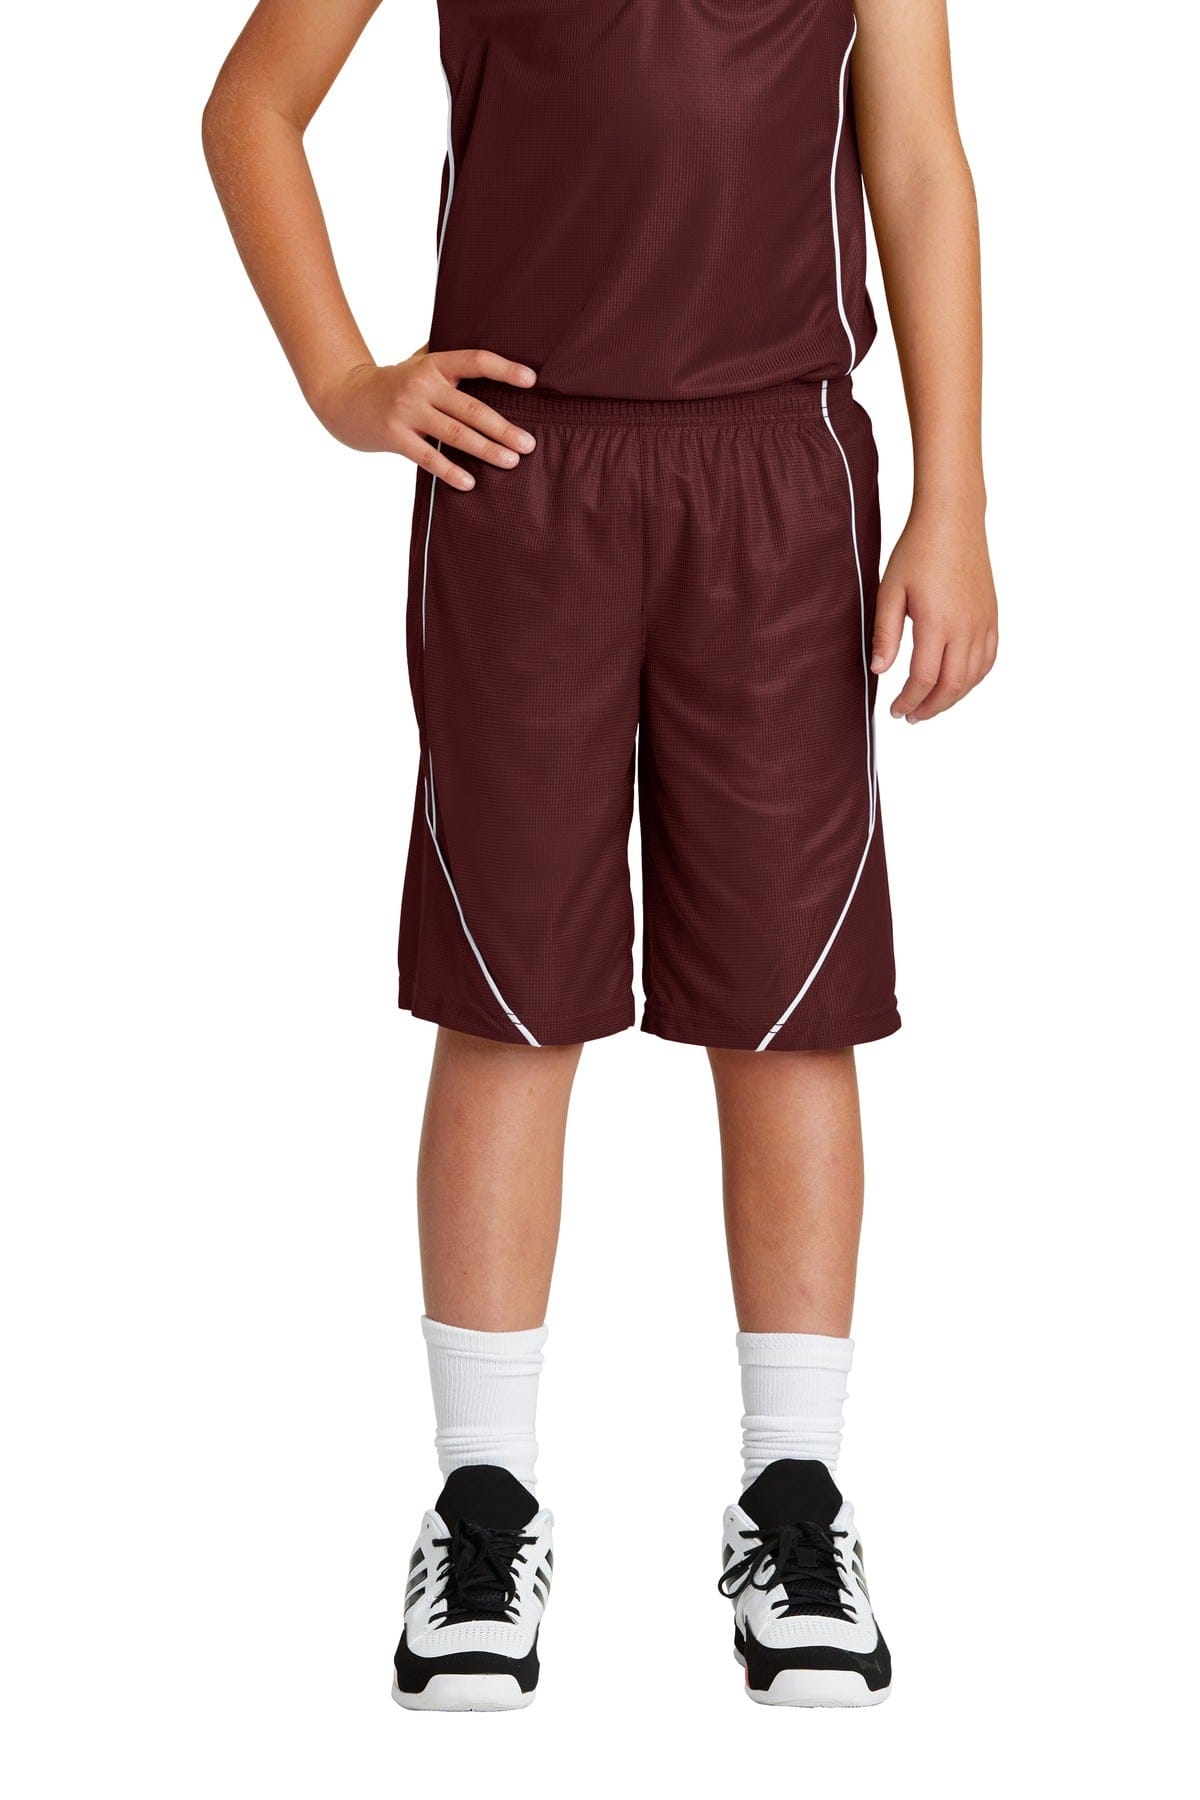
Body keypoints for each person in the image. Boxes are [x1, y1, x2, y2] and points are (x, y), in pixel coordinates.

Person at [204, 0, 997, 1712]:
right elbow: (253, 106)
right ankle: (482, 1502)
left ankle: (795, 1495)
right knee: (511, 989)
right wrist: (345, 379)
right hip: (524, 471)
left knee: (789, 998)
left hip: (777, 469)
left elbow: (921, 164)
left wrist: (956, 500)